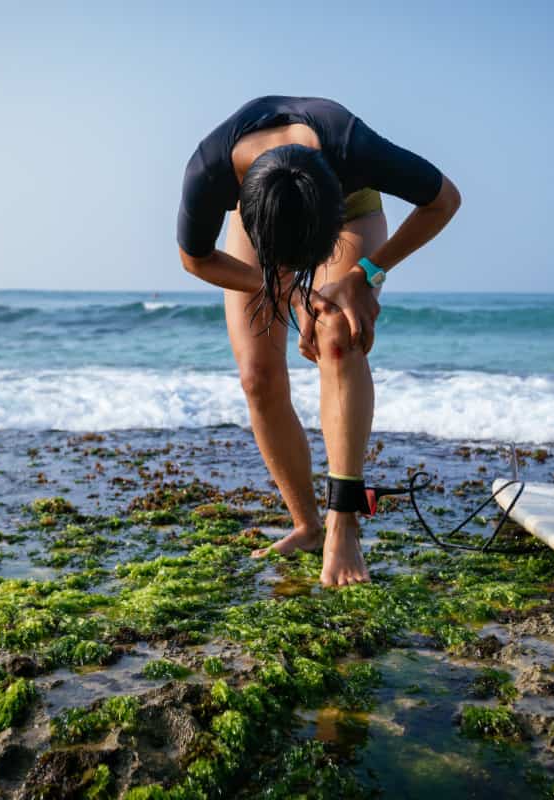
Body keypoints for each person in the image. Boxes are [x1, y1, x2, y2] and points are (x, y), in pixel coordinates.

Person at [176, 96, 460, 587]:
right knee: (257, 377)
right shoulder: (209, 168)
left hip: (346, 210)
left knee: (336, 332)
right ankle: (307, 525)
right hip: (263, 208)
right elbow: (195, 259)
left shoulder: (354, 148)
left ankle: (343, 525)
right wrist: (284, 288)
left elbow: (444, 199)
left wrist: (363, 275)